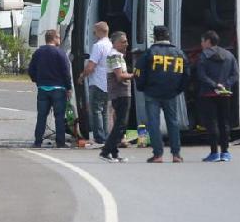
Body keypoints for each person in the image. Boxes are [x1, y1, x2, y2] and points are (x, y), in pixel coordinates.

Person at [134, 25, 190, 163]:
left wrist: (141, 87)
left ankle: (158, 154)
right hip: (171, 94)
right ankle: (176, 154)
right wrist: (178, 90)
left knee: (153, 123)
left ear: (154, 37)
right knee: (173, 122)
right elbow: (187, 75)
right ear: (168, 36)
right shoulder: (179, 53)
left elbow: (138, 72)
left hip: (152, 93)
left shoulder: (149, 53)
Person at [196, 30, 239, 162]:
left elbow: (201, 75)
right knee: (224, 122)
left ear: (208, 41)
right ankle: (225, 152)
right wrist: (224, 85)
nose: (201, 44)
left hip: (208, 94)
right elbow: (235, 74)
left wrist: (214, 85)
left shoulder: (203, 56)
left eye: (202, 41)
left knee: (212, 123)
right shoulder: (229, 55)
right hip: (225, 94)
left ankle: (214, 152)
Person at [28, 29, 72, 148]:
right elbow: (66, 72)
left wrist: (37, 80)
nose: (60, 39)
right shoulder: (60, 53)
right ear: (54, 38)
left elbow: (31, 70)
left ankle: (37, 141)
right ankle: (60, 142)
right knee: (59, 116)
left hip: (43, 88)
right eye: (58, 37)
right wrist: (69, 87)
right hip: (58, 88)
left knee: (41, 116)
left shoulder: (38, 53)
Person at [99, 32, 134, 163]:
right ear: (115, 43)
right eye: (123, 41)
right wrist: (133, 75)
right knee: (120, 124)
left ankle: (114, 153)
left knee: (120, 123)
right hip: (120, 93)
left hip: (121, 93)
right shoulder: (114, 55)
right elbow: (119, 76)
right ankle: (105, 151)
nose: (127, 44)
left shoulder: (118, 55)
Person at [77, 21, 112, 145]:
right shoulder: (111, 45)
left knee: (96, 110)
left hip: (97, 82)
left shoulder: (98, 46)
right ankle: (105, 135)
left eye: (94, 31)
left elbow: (91, 66)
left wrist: (82, 76)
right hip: (108, 83)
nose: (93, 33)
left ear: (100, 31)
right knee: (104, 111)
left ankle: (99, 137)